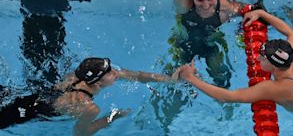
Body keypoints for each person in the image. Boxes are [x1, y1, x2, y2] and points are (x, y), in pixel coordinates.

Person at [179, 9, 293, 135]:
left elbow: (226, 96)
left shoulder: (275, 88)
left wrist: (190, 78)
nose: (257, 59)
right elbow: (290, 32)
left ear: (275, 66)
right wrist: (262, 13)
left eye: (262, 58)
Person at [0, 57, 180, 135]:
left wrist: (171, 80)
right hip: (22, 113)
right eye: (109, 72)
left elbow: (138, 76)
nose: (116, 73)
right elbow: (80, 133)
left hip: (22, 95)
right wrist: (112, 117)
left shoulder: (77, 76)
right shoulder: (88, 106)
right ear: (98, 83)